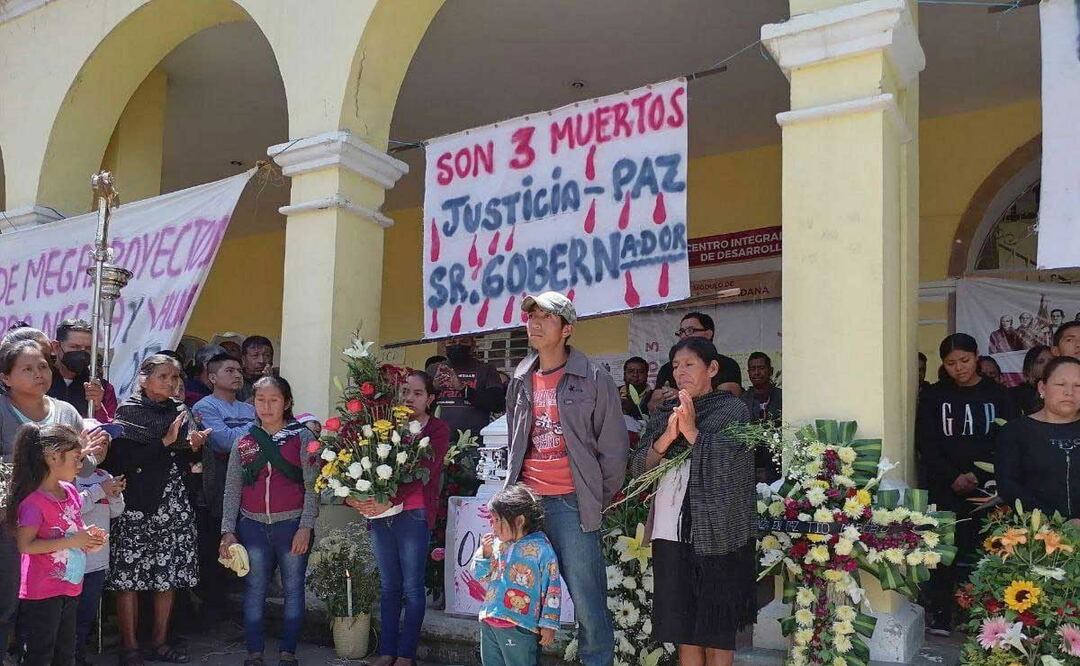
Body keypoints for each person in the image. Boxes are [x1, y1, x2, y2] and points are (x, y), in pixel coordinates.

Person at [504, 291, 627, 666]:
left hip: (572, 504)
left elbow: (614, 449)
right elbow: (515, 441)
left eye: (547, 317)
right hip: (527, 505)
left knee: (588, 601)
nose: (535, 323)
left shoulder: (593, 378)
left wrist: (593, 498)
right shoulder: (521, 378)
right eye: (532, 316)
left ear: (567, 329)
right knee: (524, 599)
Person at [628, 337, 755, 666]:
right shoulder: (663, 416)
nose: (680, 371)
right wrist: (668, 436)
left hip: (719, 537)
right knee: (683, 628)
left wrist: (692, 431)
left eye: (689, 364)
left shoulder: (733, 410)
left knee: (717, 629)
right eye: (675, 366)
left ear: (712, 369)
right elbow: (638, 467)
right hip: (671, 534)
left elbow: (733, 465)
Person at [0, 338, 109, 661]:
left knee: (54, 609)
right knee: (7, 601)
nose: (39, 374)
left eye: (44, 366)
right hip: (9, 520)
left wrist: (95, 455)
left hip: (56, 527)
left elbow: (82, 466)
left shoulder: (66, 411)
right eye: (28, 369)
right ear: (5, 378)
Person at [103, 354, 210, 666]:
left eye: (175, 377)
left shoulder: (180, 411)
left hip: (173, 504)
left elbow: (188, 454)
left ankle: (160, 642)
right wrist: (164, 442)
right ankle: (130, 647)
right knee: (128, 578)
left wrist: (195, 443)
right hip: (136, 505)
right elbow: (121, 462)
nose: (171, 383)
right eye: (163, 376)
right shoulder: (129, 412)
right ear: (144, 379)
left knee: (168, 575)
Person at [345, 370, 450, 666]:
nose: (410, 399)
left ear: (430, 399)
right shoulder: (385, 427)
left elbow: (424, 472)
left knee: (412, 587)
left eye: (418, 393)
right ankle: (387, 651)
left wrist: (389, 500)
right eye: (405, 392)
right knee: (389, 585)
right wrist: (361, 498)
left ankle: (406, 654)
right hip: (382, 516)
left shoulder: (438, 429)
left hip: (414, 514)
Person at [916, 333, 1018, 636]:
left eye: (965, 361)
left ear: (977, 357)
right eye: (950, 363)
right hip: (944, 487)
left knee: (986, 550)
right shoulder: (934, 396)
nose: (959, 368)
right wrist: (952, 476)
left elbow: (1007, 440)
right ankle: (942, 613)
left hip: (988, 490)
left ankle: (985, 615)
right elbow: (926, 442)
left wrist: (976, 474)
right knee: (943, 551)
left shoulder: (999, 395)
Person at [219, 376, 319, 666]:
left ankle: (288, 651)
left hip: (292, 525)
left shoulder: (303, 438)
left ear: (286, 403)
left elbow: (313, 485)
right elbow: (232, 488)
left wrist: (306, 526)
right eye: (260, 400)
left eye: (274, 399)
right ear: (253, 402)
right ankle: (255, 652)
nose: (267, 406)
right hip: (252, 526)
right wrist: (228, 531)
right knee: (255, 587)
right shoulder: (245, 440)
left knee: (293, 587)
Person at [6, 423, 106, 666]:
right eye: (75, 458)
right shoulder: (33, 502)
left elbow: (73, 530)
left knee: (66, 653)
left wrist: (89, 540)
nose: (80, 465)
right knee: (41, 654)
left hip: (70, 584)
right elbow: (25, 545)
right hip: (42, 591)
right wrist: (74, 540)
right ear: (52, 457)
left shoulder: (70, 491)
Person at [472, 484, 561, 666]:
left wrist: (549, 624)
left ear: (519, 521)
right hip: (490, 620)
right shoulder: (497, 545)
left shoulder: (541, 549)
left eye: (497, 520)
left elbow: (552, 588)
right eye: (492, 520)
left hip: (520, 625)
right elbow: (481, 575)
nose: (492, 525)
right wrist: (486, 553)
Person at [997, 356, 1080, 525]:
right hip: (1034, 537)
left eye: (1078, 385)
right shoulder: (1016, 431)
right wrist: (1055, 522)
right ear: (1042, 387)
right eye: (1060, 384)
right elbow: (1009, 486)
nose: (1069, 392)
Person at [74, 448, 126, 665]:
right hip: (71, 560)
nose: (102, 448)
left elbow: (116, 512)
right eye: (97, 441)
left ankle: (78, 656)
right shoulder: (69, 475)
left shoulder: (105, 475)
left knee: (86, 616)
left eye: (106, 443)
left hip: (97, 561)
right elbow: (71, 508)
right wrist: (99, 490)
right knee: (67, 616)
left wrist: (114, 494)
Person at [645, 312, 742, 414]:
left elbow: (729, 402)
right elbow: (653, 406)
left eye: (690, 330)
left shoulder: (728, 365)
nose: (684, 336)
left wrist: (682, 397)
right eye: (681, 332)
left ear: (712, 368)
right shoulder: (666, 368)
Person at [427, 337, 505, 441]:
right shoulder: (433, 369)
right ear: (444, 345)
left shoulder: (486, 369)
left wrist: (464, 389)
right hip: (437, 439)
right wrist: (433, 388)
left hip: (474, 442)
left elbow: (497, 404)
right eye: (452, 342)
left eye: (463, 341)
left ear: (472, 345)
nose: (457, 346)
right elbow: (419, 402)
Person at [47, 319, 118, 423]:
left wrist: (98, 406)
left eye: (88, 348)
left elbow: (109, 430)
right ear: (56, 347)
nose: (81, 353)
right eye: (75, 347)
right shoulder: (40, 380)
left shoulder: (101, 388)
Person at [743, 351, 782, 482]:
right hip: (750, 469)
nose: (756, 373)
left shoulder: (782, 397)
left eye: (761, 368)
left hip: (778, 467)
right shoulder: (742, 401)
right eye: (753, 369)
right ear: (748, 372)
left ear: (770, 370)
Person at [1009, 345, 1053, 415]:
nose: (1047, 365)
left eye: (1052, 361)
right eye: (1040, 362)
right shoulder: (1015, 394)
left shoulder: (1059, 392)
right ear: (1029, 368)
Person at [237, 337, 275, 403]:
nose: (261, 361)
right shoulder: (236, 380)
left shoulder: (279, 378)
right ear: (243, 359)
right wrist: (263, 385)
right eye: (255, 356)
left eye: (267, 355)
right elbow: (239, 411)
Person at [619, 356, 651, 422]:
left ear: (647, 375)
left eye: (640, 372)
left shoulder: (654, 396)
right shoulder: (614, 393)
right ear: (624, 375)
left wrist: (632, 408)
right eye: (631, 371)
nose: (635, 375)